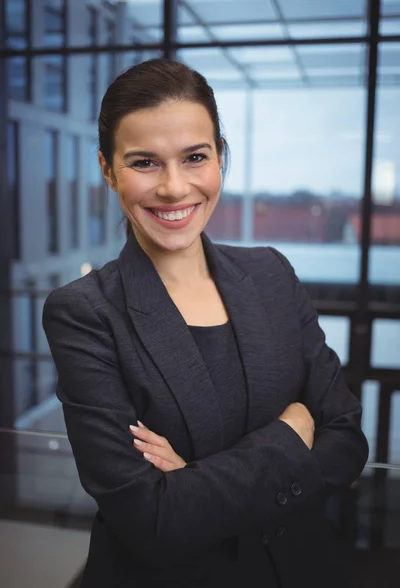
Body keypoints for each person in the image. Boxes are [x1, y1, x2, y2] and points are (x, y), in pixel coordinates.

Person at [42, 58, 369, 588]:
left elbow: (348, 442)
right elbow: (154, 520)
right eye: (144, 162)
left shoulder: (270, 274)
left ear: (221, 157)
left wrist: (196, 480)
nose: (174, 188)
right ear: (107, 170)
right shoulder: (85, 313)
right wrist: (291, 436)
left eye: (195, 157)